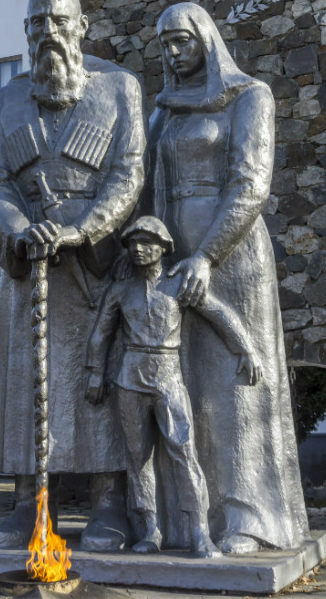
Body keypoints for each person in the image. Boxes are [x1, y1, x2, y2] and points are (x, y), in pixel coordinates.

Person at [0, 0, 146, 550]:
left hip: (96, 261)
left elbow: (128, 175)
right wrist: (18, 230)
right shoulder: (4, 101)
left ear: (82, 25)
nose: (47, 31)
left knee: (100, 380)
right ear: (26, 33)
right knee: (30, 382)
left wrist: (84, 230)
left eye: (58, 19)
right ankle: (28, 508)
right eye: (36, 22)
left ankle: (108, 506)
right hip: (29, 263)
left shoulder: (120, 88)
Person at [146, 1, 310, 553]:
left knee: (234, 387)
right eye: (165, 43)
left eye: (183, 40)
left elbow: (251, 184)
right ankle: (189, 518)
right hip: (170, 253)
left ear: (207, 40)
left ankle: (247, 517)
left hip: (231, 253)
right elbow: (149, 188)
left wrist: (207, 257)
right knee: (182, 386)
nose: (173, 52)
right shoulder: (163, 111)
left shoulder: (248, 96)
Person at [85, 216, 260, 558]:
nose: (138, 249)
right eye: (133, 243)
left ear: (163, 248)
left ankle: (199, 533)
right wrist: (94, 373)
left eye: (147, 243)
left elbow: (219, 314)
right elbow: (100, 334)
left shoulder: (179, 284)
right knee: (137, 460)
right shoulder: (120, 291)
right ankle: (149, 530)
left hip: (168, 379)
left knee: (184, 454)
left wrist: (246, 349)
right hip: (129, 379)